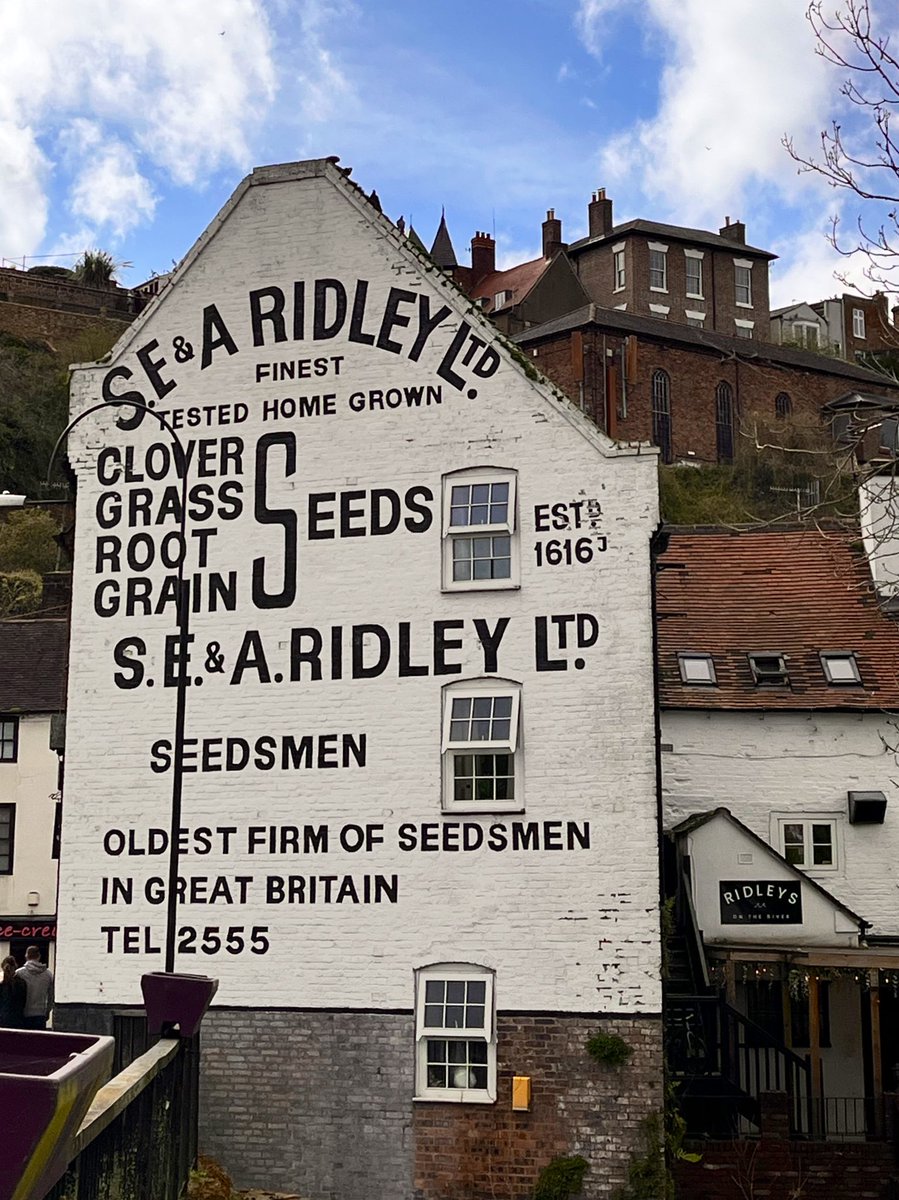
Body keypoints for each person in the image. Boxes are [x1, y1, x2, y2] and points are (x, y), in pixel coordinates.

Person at [16, 946, 54, 1030]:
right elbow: (51, 996)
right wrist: (47, 1010)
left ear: (26, 956)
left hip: (23, 1013)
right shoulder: (48, 974)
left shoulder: (19, 973)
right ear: (39, 956)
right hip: (40, 1013)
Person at [0, 955, 26, 1027]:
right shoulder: (21, 983)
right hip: (17, 1019)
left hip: (3, 1018)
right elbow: (23, 1002)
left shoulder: (2, 984)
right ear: (15, 967)